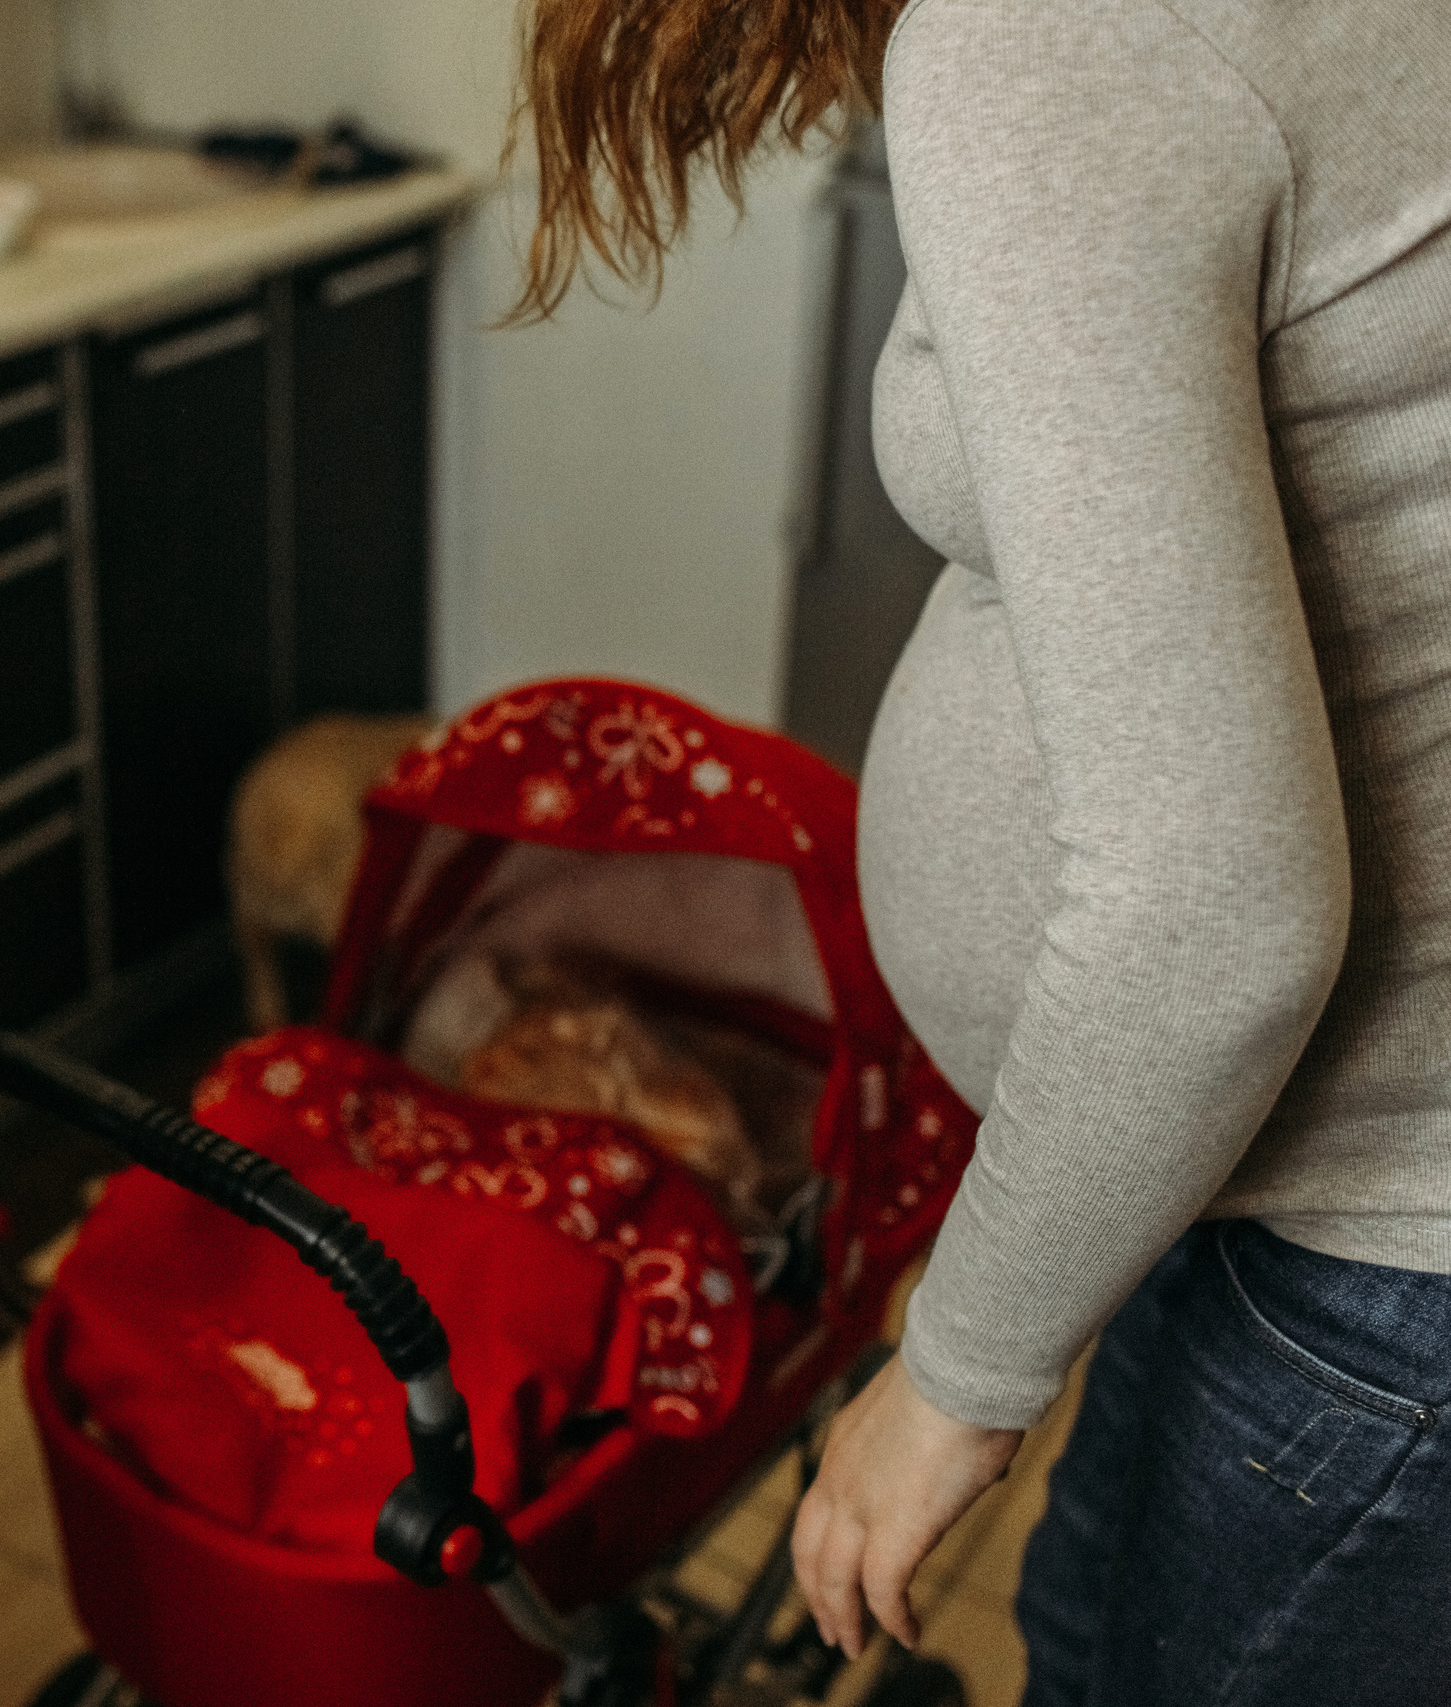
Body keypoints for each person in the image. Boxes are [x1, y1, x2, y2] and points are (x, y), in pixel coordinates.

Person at [514, 0, 1451, 1700]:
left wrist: (946, 1378)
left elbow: (1214, 912)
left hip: (1382, 1234)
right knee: (1083, 1637)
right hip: (1267, 1165)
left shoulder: (1059, 37)